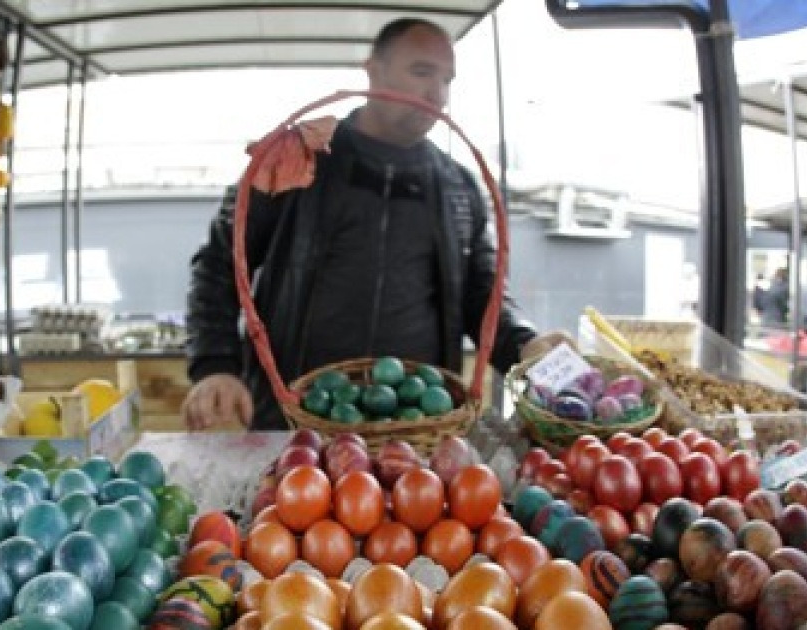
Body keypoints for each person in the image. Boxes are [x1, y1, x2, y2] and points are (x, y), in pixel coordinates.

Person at [183, 18, 566, 431]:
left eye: (447, 80)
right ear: (372, 71)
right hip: (292, 420)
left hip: (416, 428)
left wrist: (526, 344)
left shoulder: (460, 186)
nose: (437, 95)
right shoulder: (297, 158)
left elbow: (485, 296)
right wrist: (215, 365)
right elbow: (219, 263)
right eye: (421, 72)